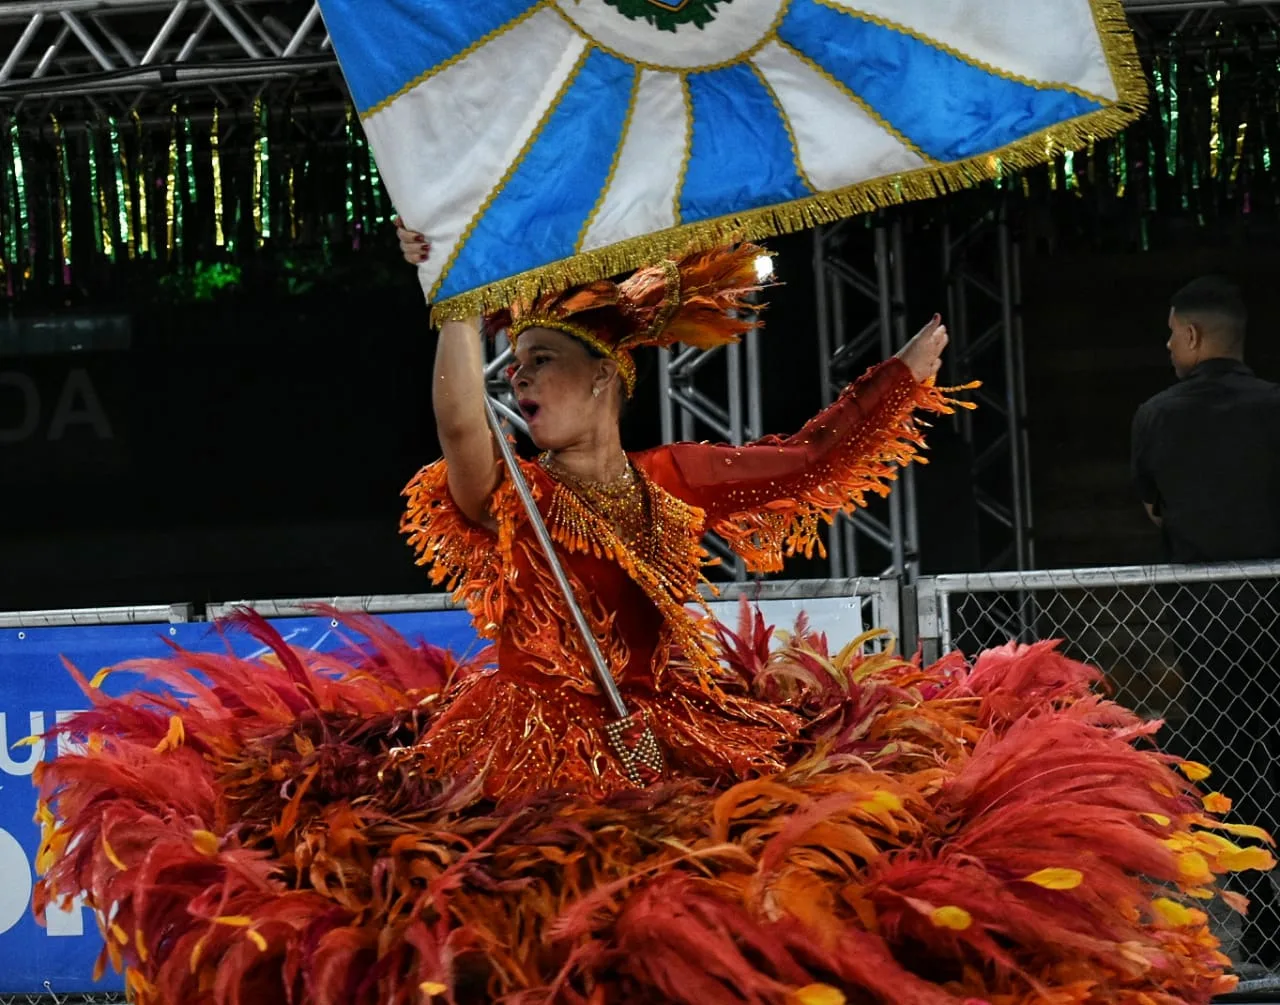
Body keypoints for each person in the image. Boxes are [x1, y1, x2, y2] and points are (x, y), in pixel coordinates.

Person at [31, 238, 1273, 1005]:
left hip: (671, 722)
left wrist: (898, 378)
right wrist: (455, 301)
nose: (522, 393)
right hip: (517, 733)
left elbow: (803, 458)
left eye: (542, 372)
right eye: (514, 377)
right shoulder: (506, 490)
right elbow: (459, 429)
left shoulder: (671, 481)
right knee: (504, 922)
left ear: (606, 380)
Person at [1132, 275, 1280, 967]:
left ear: (1192, 335)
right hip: (1277, 618)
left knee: (1235, 773)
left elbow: (1154, 507)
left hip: (1208, 627)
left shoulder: (1157, 416)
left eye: (1170, 333)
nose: (1166, 346)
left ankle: (1258, 927)